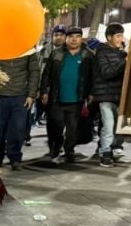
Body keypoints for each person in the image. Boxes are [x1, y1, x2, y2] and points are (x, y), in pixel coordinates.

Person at [40, 26, 94, 165]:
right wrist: (44, 91)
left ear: (81, 38)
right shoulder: (56, 53)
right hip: (57, 98)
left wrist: (91, 93)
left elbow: (93, 76)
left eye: (77, 36)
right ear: (66, 38)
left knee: (73, 129)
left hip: (77, 100)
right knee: (55, 127)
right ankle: (55, 147)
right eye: (71, 37)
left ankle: (69, 150)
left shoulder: (87, 55)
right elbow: (46, 74)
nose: (74, 39)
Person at [0, 49, 41, 170]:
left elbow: (34, 72)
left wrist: (31, 95)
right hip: (0, 96)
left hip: (21, 96)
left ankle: (15, 158)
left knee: (18, 128)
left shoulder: (29, 50)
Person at [92, 23, 128, 168]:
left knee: (118, 126)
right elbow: (107, 73)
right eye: (118, 36)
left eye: (121, 35)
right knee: (108, 125)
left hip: (120, 95)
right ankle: (105, 153)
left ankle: (114, 149)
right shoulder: (102, 52)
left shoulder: (121, 53)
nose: (121, 39)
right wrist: (123, 62)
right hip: (106, 96)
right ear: (109, 37)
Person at [38, 25, 66, 130]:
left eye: (61, 35)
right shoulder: (43, 51)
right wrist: (41, 90)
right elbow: (39, 70)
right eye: (56, 35)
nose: (58, 37)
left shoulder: (70, 51)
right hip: (45, 90)